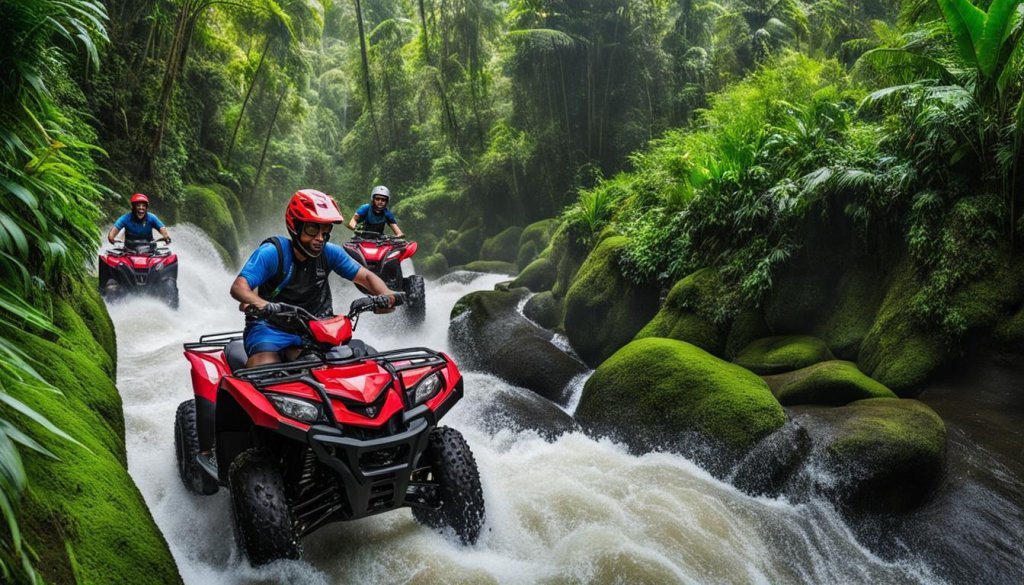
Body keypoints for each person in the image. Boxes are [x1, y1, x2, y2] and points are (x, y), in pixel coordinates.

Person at [230, 188, 399, 367]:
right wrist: (264, 305)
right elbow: (239, 287)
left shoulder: (330, 252)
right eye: (312, 229)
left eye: (325, 231)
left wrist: (387, 295)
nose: (320, 238)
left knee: (367, 364)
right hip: (270, 329)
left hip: (316, 329)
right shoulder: (273, 252)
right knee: (264, 370)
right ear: (296, 226)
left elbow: (365, 276)